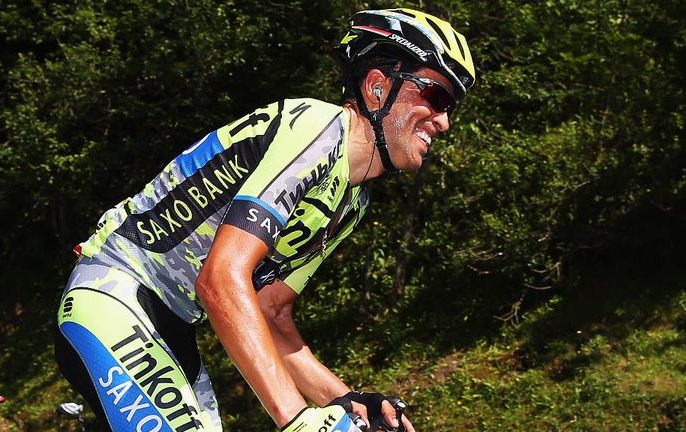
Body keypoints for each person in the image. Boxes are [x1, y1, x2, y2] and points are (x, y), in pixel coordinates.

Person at [55, 7, 475, 432]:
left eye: (451, 107)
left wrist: (346, 401)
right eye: (436, 97)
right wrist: (296, 419)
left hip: (172, 326)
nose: (444, 122)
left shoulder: (353, 199)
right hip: (116, 292)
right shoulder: (317, 128)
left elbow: (268, 311)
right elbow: (220, 280)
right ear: (377, 87)